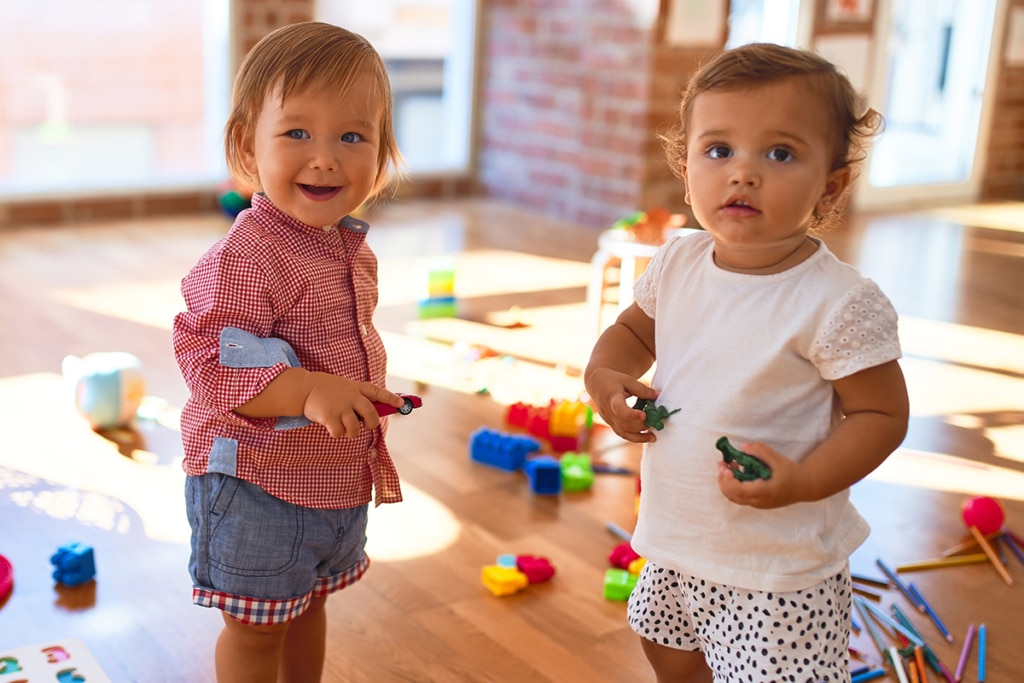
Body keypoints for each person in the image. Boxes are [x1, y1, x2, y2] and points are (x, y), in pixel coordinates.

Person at [584, 43, 909, 682]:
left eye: (780, 153)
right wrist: (603, 377)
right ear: (686, 168)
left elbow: (881, 414)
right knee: (669, 654)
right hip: (677, 542)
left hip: (777, 570)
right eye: (719, 150)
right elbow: (628, 332)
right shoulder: (677, 262)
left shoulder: (838, 301)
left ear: (831, 184)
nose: (743, 173)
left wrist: (805, 481)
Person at [173, 21, 408, 683]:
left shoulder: (348, 245)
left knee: (307, 606)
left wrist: (359, 392)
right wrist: (307, 390)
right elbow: (212, 366)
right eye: (297, 132)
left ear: (382, 152)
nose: (326, 157)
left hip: (329, 478)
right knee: (254, 631)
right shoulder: (247, 256)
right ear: (248, 144)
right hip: (255, 484)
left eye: (352, 137)